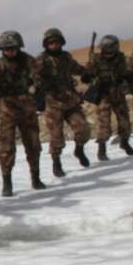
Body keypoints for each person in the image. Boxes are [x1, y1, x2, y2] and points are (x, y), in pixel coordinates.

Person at [0, 31, 46, 197]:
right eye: (7, 49)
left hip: (27, 107)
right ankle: (7, 182)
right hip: (7, 108)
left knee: (33, 144)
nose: (11, 52)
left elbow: (38, 77)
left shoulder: (28, 60)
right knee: (7, 147)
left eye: (13, 48)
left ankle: (35, 177)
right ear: (2, 49)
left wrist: (39, 91)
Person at [34, 27, 91, 178]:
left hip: (70, 100)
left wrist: (87, 73)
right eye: (51, 43)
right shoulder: (41, 60)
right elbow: (34, 76)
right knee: (56, 136)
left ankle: (79, 150)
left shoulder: (66, 57)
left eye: (57, 42)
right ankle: (56, 161)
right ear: (46, 44)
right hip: (53, 103)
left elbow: (77, 69)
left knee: (83, 129)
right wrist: (42, 85)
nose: (54, 45)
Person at [84, 34, 133, 160]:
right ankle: (102, 149)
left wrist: (130, 80)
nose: (108, 53)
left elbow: (125, 72)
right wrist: (88, 74)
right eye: (105, 50)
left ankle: (124, 142)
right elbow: (87, 75)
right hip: (103, 94)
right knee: (104, 123)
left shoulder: (120, 58)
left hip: (117, 93)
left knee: (125, 121)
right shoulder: (96, 59)